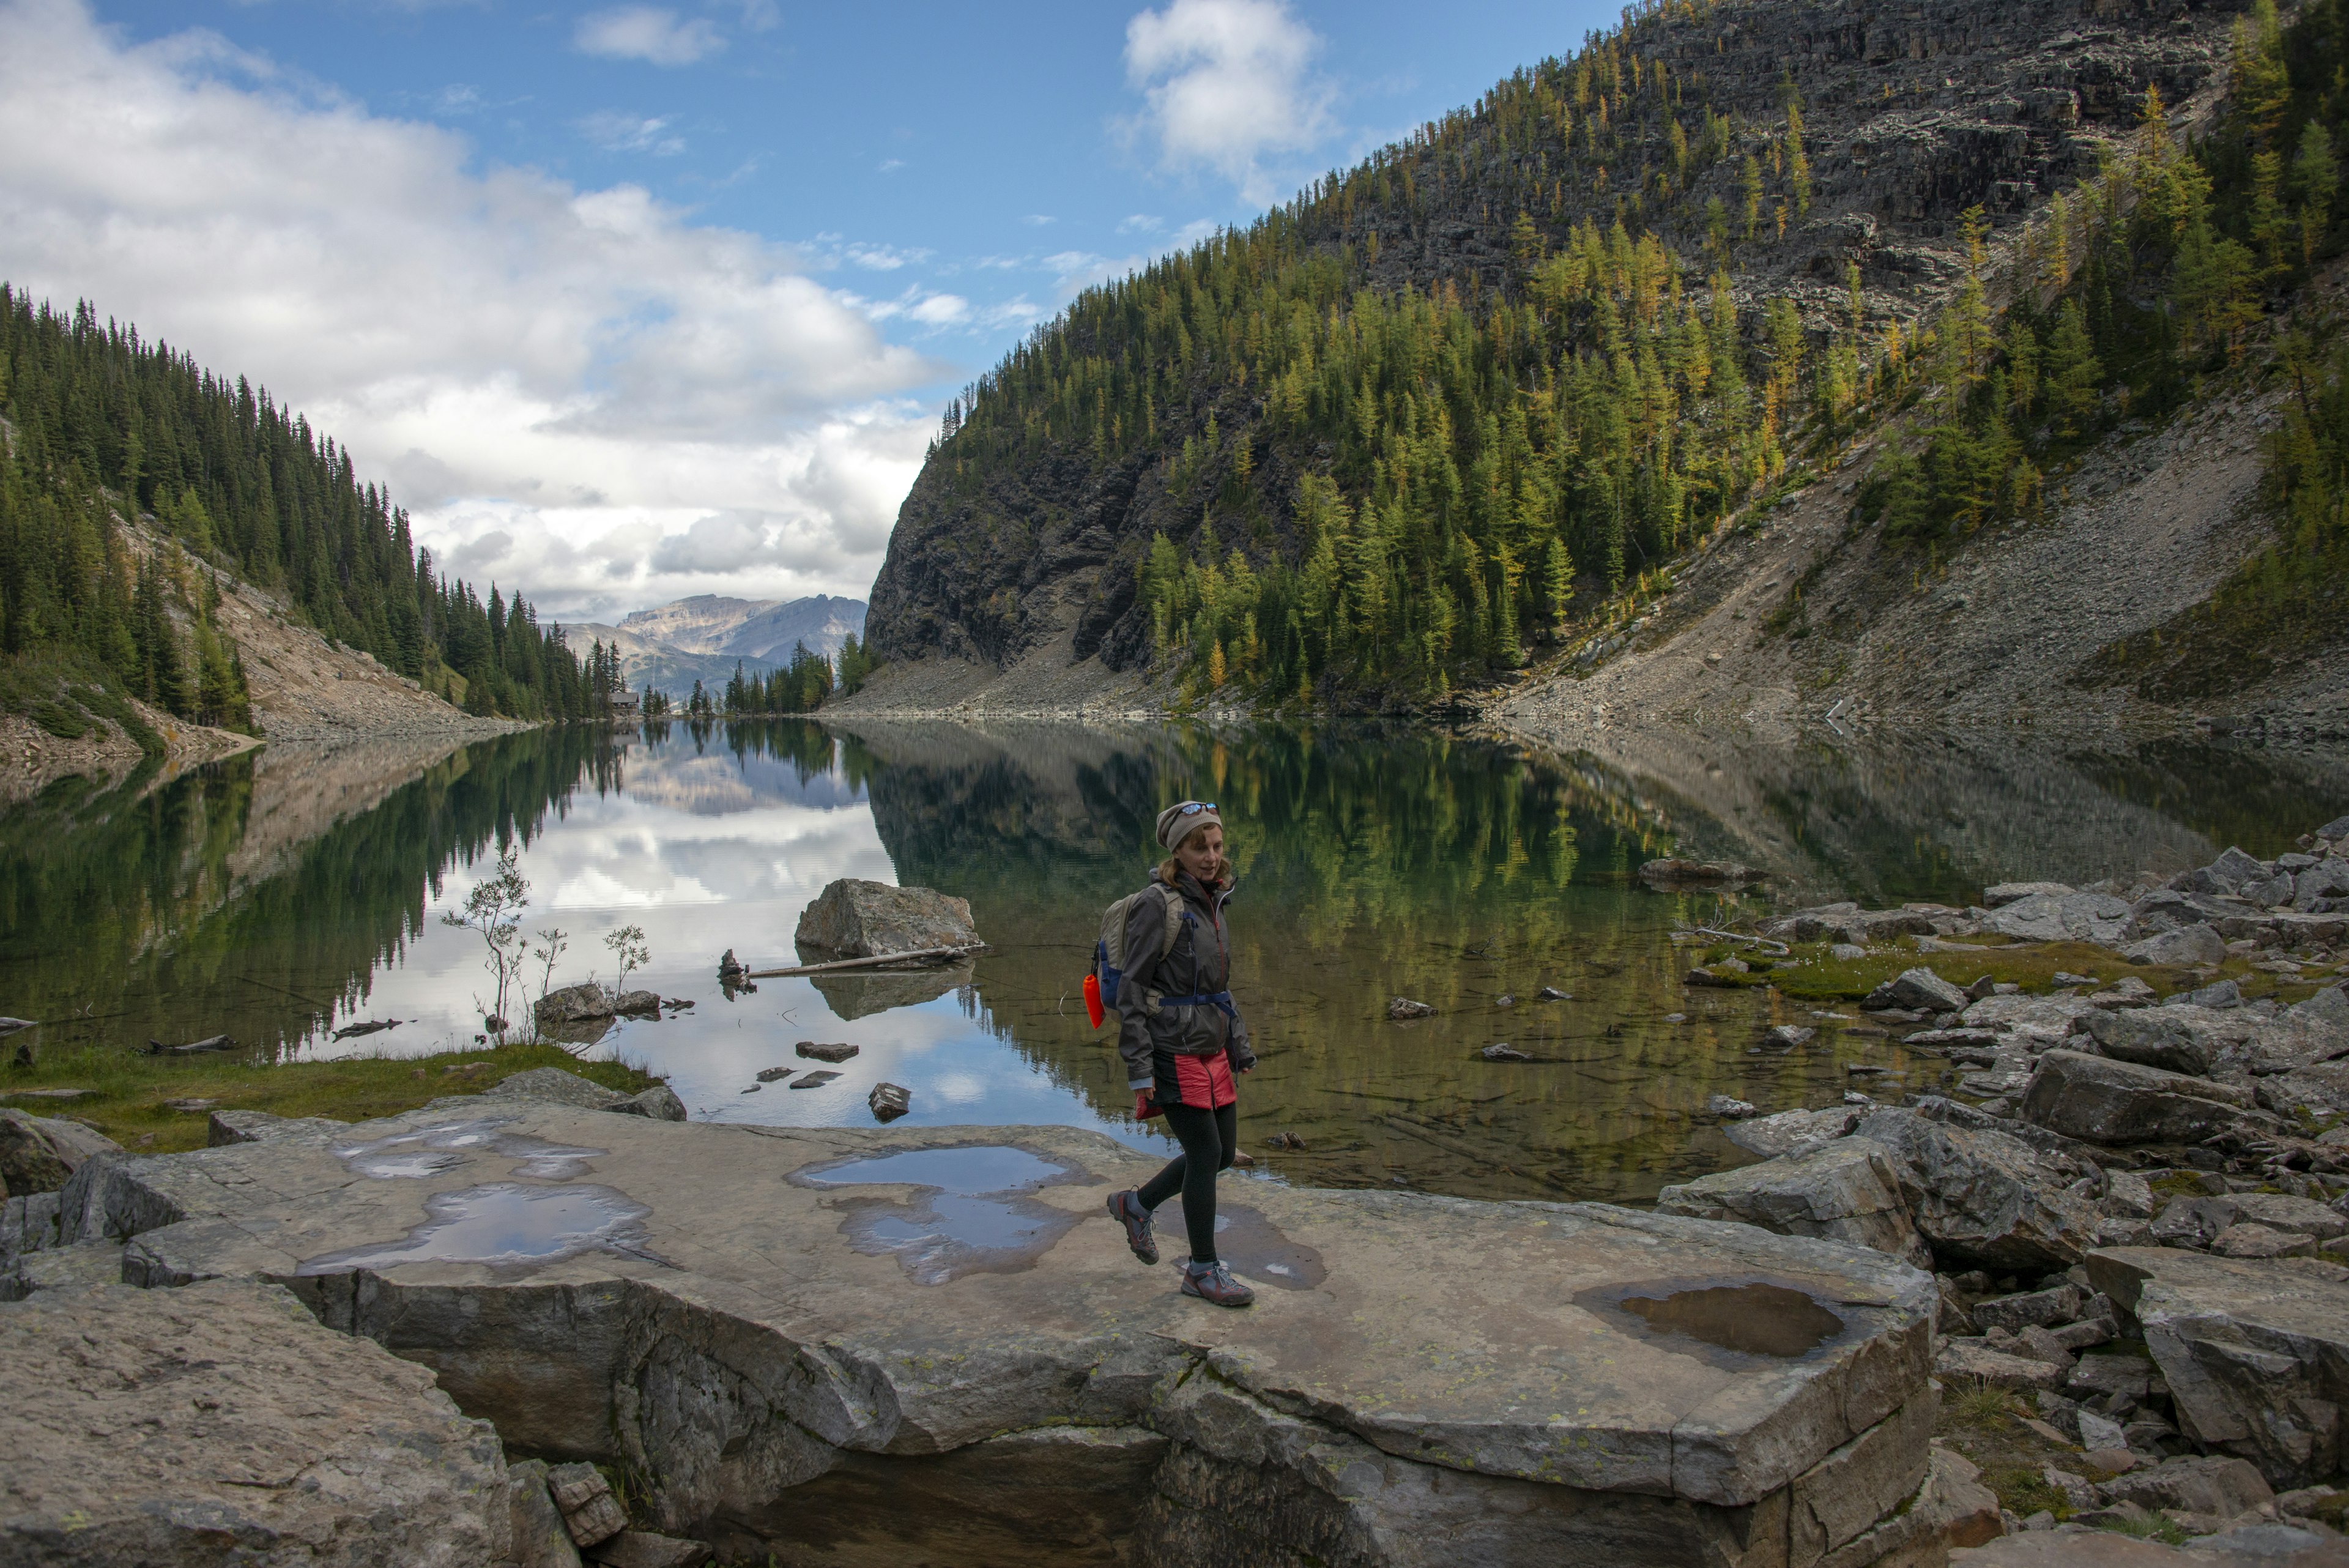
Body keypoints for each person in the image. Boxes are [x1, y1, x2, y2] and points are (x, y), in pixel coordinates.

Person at [1102, 800, 1257, 1307]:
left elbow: (1218, 986)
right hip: (1173, 1049)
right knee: (1206, 1152)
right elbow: (1131, 990)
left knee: (1221, 1153)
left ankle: (1137, 1204)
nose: (1211, 857)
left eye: (1216, 846)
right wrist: (1140, 1068)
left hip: (1210, 1046)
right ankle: (1202, 1270)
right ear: (1178, 851)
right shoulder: (1158, 904)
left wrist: (1239, 1044)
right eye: (1199, 847)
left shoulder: (1213, 901)